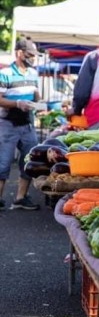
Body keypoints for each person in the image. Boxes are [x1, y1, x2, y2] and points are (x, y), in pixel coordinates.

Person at [0, 36, 41, 210]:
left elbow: (36, 95)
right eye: (29, 54)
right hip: (8, 125)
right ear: (19, 53)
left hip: (28, 125)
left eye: (34, 55)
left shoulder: (33, 73)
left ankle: (20, 197)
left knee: (29, 161)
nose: (32, 58)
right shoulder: (6, 73)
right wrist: (17, 103)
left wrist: (38, 100)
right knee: (3, 163)